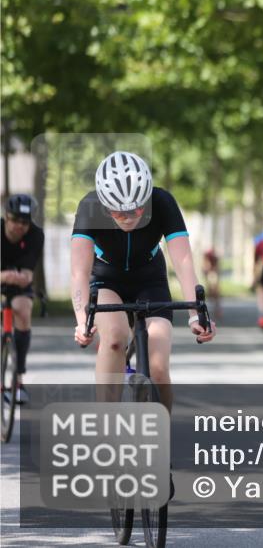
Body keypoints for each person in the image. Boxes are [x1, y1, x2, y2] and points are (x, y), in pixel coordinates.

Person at [71, 151, 216, 411]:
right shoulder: (89, 206)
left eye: (136, 209)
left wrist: (197, 314)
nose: (127, 217)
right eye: (117, 212)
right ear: (105, 205)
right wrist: (83, 320)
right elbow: (79, 272)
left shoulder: (162, 202)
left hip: (150, 279)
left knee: (158, 367)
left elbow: (183, 264)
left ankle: (161, 434)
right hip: (105, 279)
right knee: (115, 337)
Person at [1, 194, 44, 404]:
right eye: (15, 220)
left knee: (23, 309)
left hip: (18, 285)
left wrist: (16, 277)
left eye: (24, 222)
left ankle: (18, 380)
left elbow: (27, 275)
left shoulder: (36, 235)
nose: (19, 226)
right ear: (6, 217)